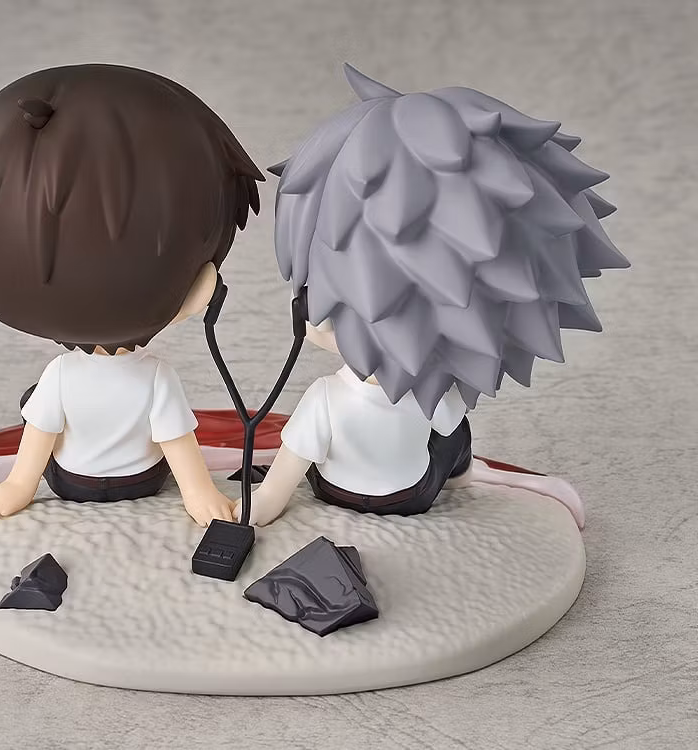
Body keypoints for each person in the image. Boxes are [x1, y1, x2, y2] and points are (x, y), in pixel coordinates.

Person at [236, 64, 628, 526]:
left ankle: (460, 477)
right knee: (450, 430)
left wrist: (257, 507)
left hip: (335, 488)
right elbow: (448, 422)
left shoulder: (325, 396)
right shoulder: (432, 393)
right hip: (414, 494)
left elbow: (283, 477)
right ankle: (464, 478)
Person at [0, 64, 263, 526]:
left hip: (98, 480)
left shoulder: (70, 375)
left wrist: (198, 493)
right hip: (122, 479)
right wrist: (18, 484)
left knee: (37, 407)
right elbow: (170, 440)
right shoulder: (146, 376)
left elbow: (46, 436)